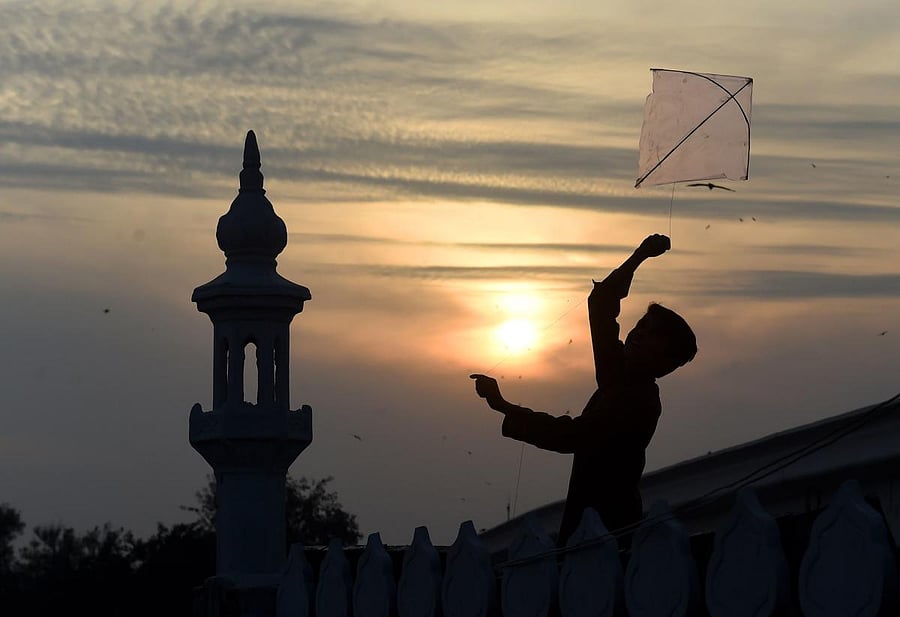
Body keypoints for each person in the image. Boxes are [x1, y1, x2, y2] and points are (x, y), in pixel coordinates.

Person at [471, 234, 696, 548]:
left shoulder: (638, 399)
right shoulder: (618, 376)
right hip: (588, 528)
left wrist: (506, 407)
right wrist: (640, 255)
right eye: (641, 325)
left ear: (667, 358)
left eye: (652, 333)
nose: (638, 333)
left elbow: (573, 436)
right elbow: (602, 305)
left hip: (608, 531)